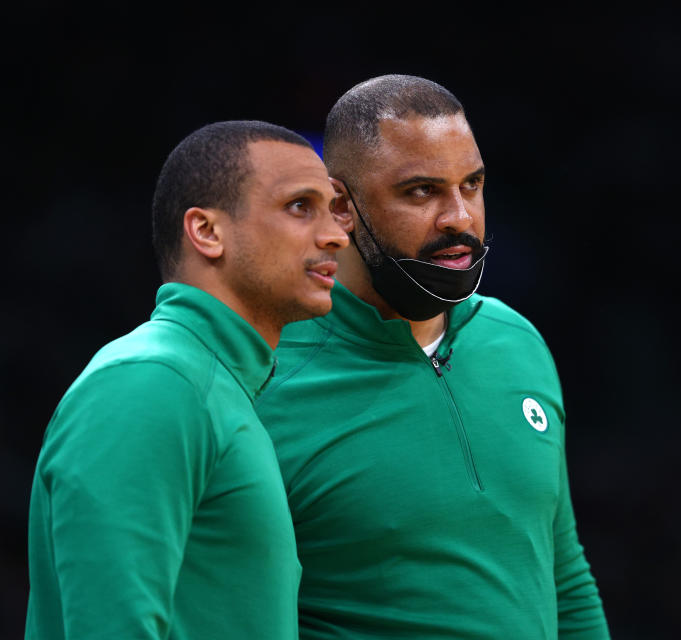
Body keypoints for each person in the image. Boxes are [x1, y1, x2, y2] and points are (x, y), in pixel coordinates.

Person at [255, 75, 610, 638]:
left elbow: (563, 576)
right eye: (421, 191)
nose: (460, 218)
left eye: (472, 185)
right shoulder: (264, 379)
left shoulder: (516, 342)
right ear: (340, 205)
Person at [25, 120, 350, 639]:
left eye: (333, 210)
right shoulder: (151, 383)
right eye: (300, 207)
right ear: (207, 231)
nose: (336, 234)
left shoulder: (215, 386)